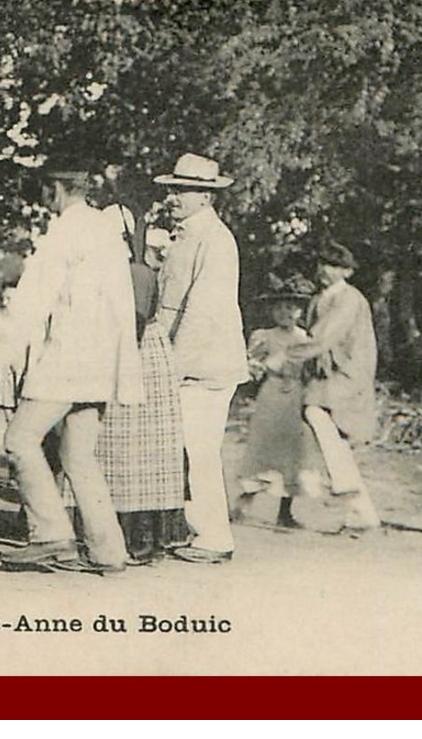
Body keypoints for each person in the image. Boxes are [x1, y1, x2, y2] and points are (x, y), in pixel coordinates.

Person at [0, 166, 141, 576]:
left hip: (67, 357)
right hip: (100, 363)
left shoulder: (64, 231)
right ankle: (109, 551)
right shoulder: (107, 232)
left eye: (45, 193)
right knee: (78, 456)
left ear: (56, 190)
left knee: (19, 439)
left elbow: (33, 299)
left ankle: (50, 534)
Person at [152, 152, 250, 564]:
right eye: (172, 189)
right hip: (188, 358)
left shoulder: (215, 240)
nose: (173, 197)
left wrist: (172, 365)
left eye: (184, 190)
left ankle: (213, 536)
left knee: (199, 447)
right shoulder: (185, 235)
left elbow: (202, 310)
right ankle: (188, 529)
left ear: (206, 197)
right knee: (183, 446)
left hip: (203, 363)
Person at [85, 205, 191, 565]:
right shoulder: (115, 271)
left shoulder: (136, 273)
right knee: (130, 449)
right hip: (131, 351)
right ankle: (135, 534)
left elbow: (135, 323)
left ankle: (140, 536)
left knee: (134, 448)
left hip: (136, 354)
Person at [289, 240, 382, 535]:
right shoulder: (320, 298)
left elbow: (323, 337)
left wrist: (285, 355)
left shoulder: (349, 299)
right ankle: (361, 511)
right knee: (329, 433)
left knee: (316, 413)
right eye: (323, 264)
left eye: (335, 266)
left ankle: (348, 491)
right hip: (324, 375)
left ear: (348, 272)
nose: (326, 271)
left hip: (348, 372)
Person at [235, 273, 319, 529]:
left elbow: (312, 368)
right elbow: (251, 364)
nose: (285, 312)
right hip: (271, 395)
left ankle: (285, 511)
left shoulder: (305, 338)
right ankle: (244, 500)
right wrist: (260, 366)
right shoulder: (265, 336)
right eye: (280, 307)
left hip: (295, 394)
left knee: (293, 452)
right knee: (265, 448)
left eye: (291, 307)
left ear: (301, 311)